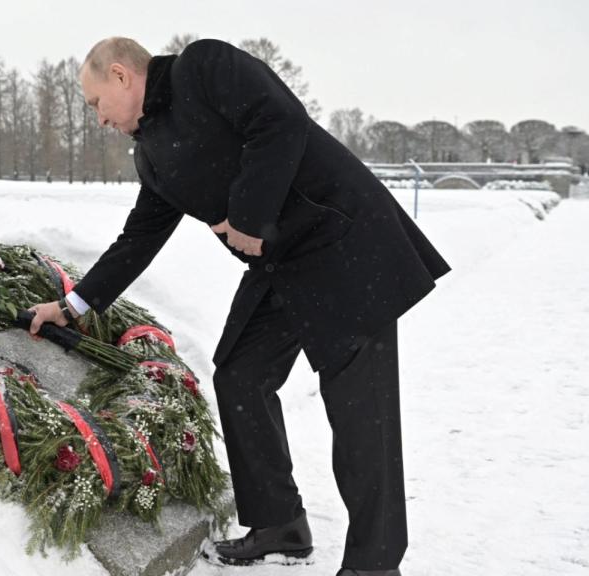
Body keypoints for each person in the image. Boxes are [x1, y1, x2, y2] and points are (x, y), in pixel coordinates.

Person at [28, 37, 450, 576]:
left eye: (94, 103)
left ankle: (374, 563)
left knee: (360, 410)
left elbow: (280, 122)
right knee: (240, 375)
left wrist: (248, 216)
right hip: (284, 267)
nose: (98, 118)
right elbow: (139, 238)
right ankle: (280, 526)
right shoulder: (151, 154)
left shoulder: (203, 67)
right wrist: (73, 305)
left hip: (345, 245)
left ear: (120, 75)